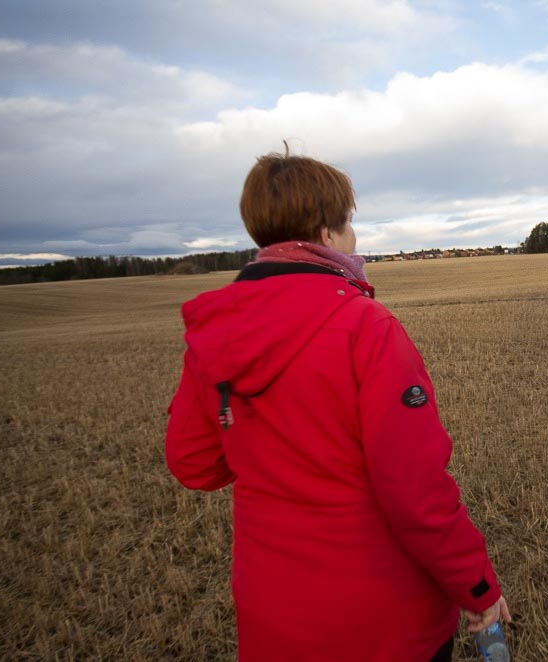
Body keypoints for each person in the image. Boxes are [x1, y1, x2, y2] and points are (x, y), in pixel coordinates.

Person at [165, 147, 510, 661]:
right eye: (348, 224)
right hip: (384, 626)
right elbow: (415, 492)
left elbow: (193, 463)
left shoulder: (216, 333)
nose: (354, 238)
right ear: (327, 234)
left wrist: (268, 443)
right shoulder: (366, 328)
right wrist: (477, 587)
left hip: (273, 621)